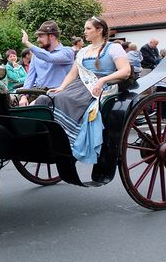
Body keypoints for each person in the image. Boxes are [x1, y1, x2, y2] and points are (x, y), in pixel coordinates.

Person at [36, 16, 130, 163]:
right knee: (47, 98)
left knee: (64, 99)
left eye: (88, 28)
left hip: (102, 86)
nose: (84, 32)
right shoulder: (83, 51)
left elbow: (125, 71)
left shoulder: (114, 48)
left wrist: (103, 80)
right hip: (79, 86)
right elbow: (73, 73)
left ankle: (67, 139)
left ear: (99, 30)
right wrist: (61, 87)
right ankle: (45, 136)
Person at [18, 21, 74, 106]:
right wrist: (23, 96)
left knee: (36, 104)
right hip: (38, 92)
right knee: (7, 99)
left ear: (51, 36)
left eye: (40, 36)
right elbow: (30, 78)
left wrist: (27, 43)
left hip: (57, 94)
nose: (38, 40)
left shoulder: (67, 52)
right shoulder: (36, 56)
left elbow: (50, 58)